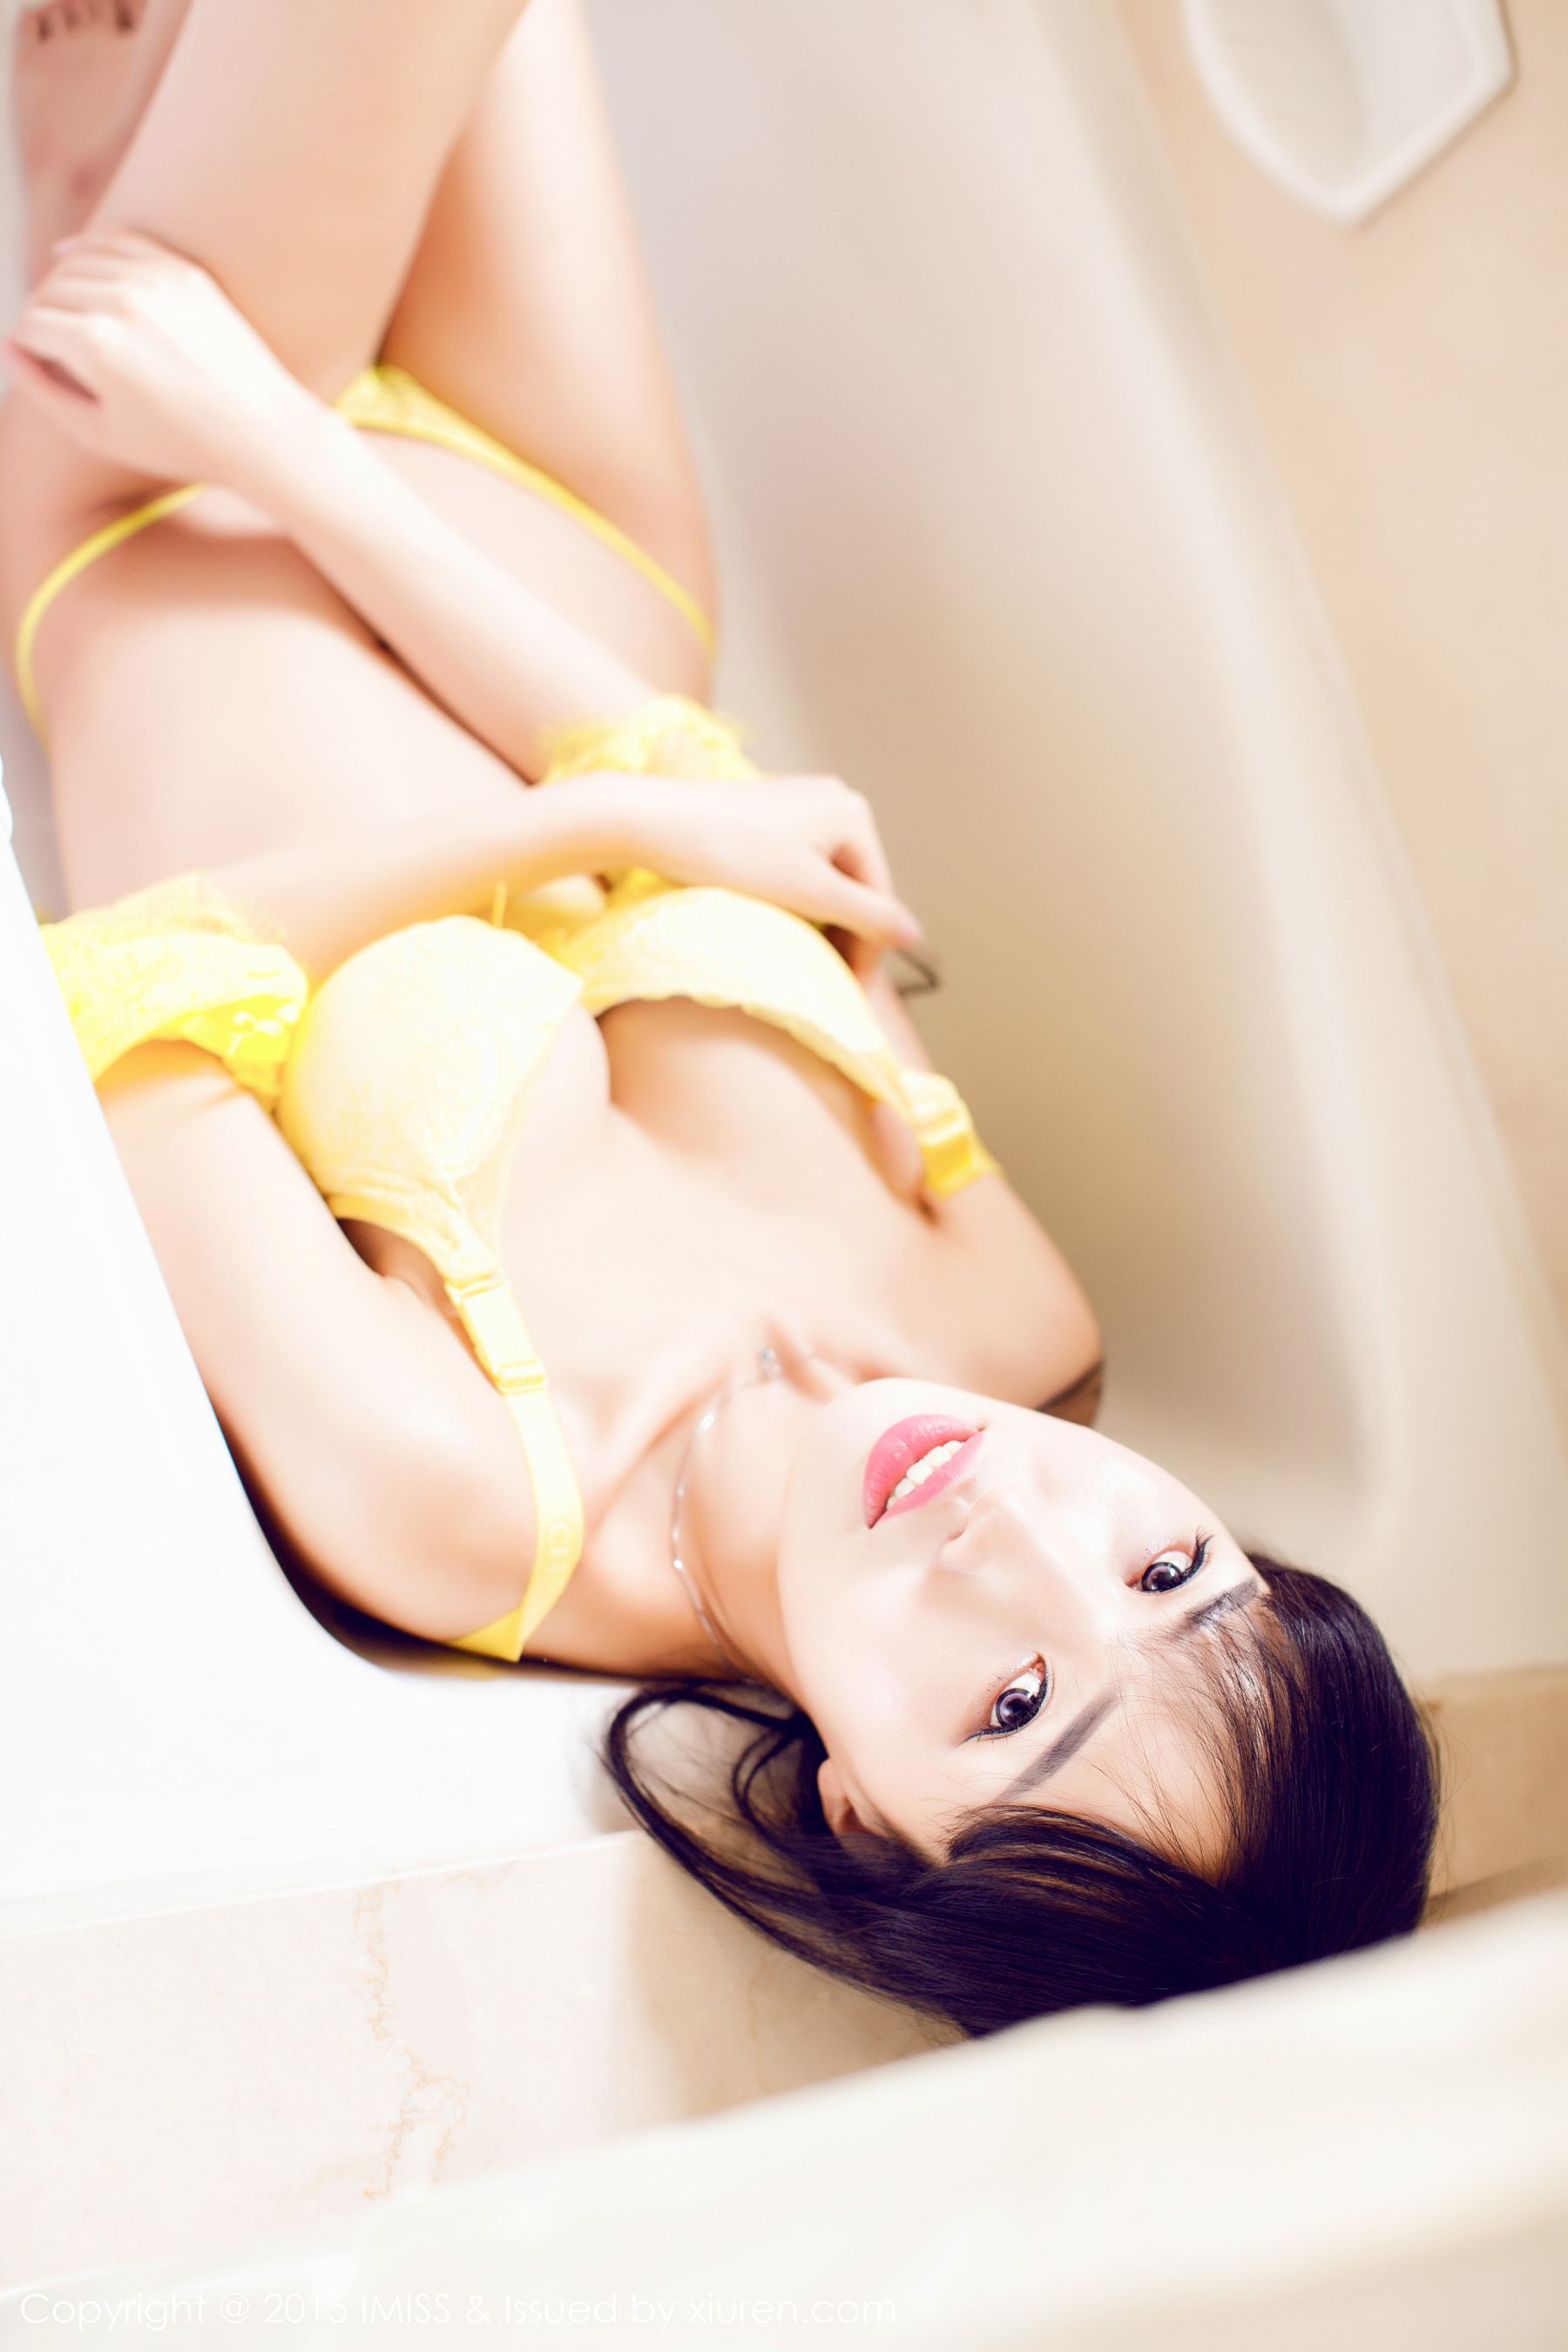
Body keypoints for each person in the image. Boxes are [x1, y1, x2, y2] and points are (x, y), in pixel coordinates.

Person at [0, 0, 1437, 2036]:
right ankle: (104, 160)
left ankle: (98, 171)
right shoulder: (1016, 1325)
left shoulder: (460, 1501)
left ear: (864, 1814)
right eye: (1168, 1577)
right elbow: (725, 811)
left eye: (1013, 1703)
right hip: (545, 544)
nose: (1013, 1524)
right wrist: (311, 466)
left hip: (155, 524)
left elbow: (98, 1010)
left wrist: (585, 812)